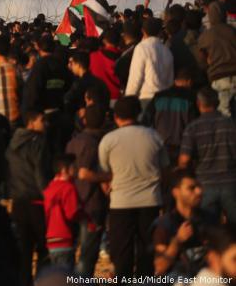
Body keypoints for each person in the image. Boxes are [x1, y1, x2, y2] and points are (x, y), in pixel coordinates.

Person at [90, 96, 170, 279]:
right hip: (150, 201)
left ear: (115, 116)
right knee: (146, 251)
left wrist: (108, 192)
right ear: (138, 114)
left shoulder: (108, 140)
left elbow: (105, 175)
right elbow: (165, 171)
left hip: (121, 203)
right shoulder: (154, 136)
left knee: (121, 253)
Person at [5, 110, 52, 286]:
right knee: (43, 249)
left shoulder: (12, 143)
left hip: (18, 201)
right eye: (42, 120)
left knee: (24, 251)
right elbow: (41, 173)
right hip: (36, 201)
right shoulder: (38, 143)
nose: (45, 124)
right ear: (31, 122)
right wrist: (48, 196)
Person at [179, 87, 236, 223]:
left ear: (199, 104)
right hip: (231, 182)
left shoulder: (193, 127)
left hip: (204, 185)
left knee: (208, 230)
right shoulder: (231, 124)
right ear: (217, 103)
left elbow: (184, 160)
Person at [64, 104, 108, 278]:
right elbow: (90, 176)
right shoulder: (100, 143)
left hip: (73, 201)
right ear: (104, 121)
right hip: (93, 204)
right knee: (87, 256)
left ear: (84, 121)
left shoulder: (73, 142)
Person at [152, 169, 215, 278]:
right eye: (191, 188)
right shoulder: (164, 224)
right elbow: (160, 267)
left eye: (199, 187)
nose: (199, 192)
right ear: (176, 192)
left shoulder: (210, 219)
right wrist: (177, 241)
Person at [142, 66, 198, 162]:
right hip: (182, 150)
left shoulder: (158, 97)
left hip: (160, 148)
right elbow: (194, 126)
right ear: (189, 81)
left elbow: (145, 121)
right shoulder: (191, 98)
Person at [42, 154, 81, 270]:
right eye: (74, 167)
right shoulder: (68, 188)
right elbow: (71, 213)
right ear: (65, 170)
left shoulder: (48, 189)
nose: (76, 170)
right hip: (64, 239)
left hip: (50, 240)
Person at [125, 17, 174, 108]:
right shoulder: (167, 50)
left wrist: (128, 100)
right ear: (160, 32)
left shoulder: (142, 47)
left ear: (143, 31)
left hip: (147, 100)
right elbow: (170, 80)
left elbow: (135, 78)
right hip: (165, 101)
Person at [198, 0, 236, 117]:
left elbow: (202, 61)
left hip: (218, 77)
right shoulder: (232, 31)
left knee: (224, 113)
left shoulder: (206, 35)